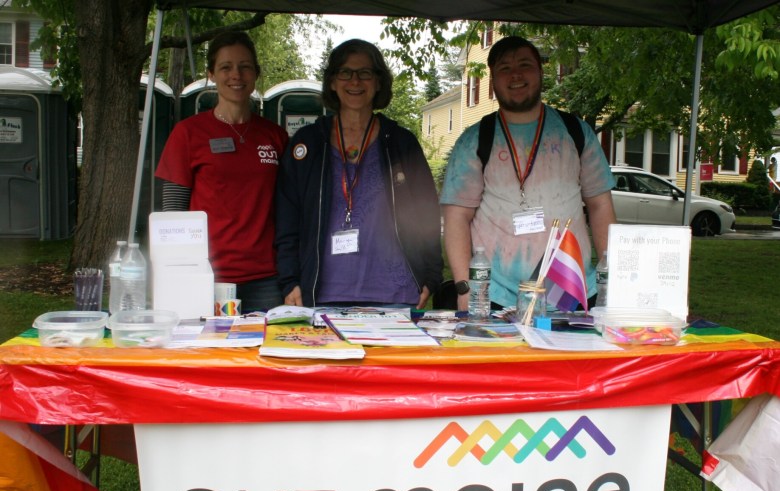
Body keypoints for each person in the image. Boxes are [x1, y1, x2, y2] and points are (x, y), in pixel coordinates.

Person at [440, 36, 617, 311]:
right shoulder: (474, 140)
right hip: (495, 298)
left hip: (572, 293)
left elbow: (600, 205)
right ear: (493, 80)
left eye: (525, 65)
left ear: (541, 72)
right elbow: (456, 217)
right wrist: (465, 289)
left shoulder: (575, 132)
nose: (516, 75)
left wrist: (613, 277)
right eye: (505, 68)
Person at [274, 39, 442, 309]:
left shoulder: (401, 143)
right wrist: (290, 279)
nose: (355, 81)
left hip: (395, 294)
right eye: (345, 72)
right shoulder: (309, 143)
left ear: (378, 82)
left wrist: (432, 275)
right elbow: (287, 218)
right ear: (332, 82)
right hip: (322, 293)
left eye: (365, 73)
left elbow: (427, 213)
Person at [155, 31, 288, 312]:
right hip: (207, 277)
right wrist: (177, 275)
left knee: (267, 342)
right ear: (211, 75)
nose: (236, 75)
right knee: (207, 342)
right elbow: (173, 215)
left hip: (266, 278)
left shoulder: (275, 136)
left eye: (244, 66)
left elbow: (288, 208)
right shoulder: (188, 133)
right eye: (226, 67)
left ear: (256, 73)